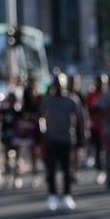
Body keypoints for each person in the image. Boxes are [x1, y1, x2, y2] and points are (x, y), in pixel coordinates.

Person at [39, 73, 86, 210]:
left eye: (61, 83)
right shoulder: (48, 100)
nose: (59, 86)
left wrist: (79, 137)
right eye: (56, 83)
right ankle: (52, 195)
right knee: (52, 168)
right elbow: (41, 116)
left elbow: (77, 119)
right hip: (52, 139)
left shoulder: (71, 100)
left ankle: (67, 195)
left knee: (66, 169)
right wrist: (43, 132)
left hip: (66, 139)